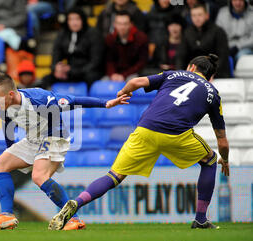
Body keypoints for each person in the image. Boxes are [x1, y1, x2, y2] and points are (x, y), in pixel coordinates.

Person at [49, 54, 229, 231]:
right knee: (210, 160)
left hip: (146, 129)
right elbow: (222, 141)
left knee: (114, 175)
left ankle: (77, 203)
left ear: (191, 67)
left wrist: (122, 92)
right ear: (210, 76)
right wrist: (226, 159)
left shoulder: (174, 74)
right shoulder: (212, 93)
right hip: (177, 135)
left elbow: (135, 83)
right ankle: (200, 219)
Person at [0, 72, 130, 230]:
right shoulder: (3, 106)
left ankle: (74, 219)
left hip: (55, 137)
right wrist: (10, 149)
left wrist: (105, 103)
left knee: (39, 176)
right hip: (33, 139)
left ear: (10, 94)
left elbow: (72, 100)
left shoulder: (39, 99)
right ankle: (6, 216)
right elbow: (8, 127)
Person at [42, 7, 104, 88]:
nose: (74, 23)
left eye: (77, 19)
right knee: (46, 79)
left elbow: (95, 62)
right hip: (69, 71)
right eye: (71, 19)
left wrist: (74, 71)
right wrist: (57, 68)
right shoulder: (63, 34)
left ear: (83, 20)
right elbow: (56, 55)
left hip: (87, 71)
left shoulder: (93, 34)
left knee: (91, 77)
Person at [176, 4, 230, 78]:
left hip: (216, 75)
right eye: (194, 15)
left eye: (200, 15)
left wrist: (211, 74)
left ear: (207, 16)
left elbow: (223, 57)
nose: (197, 18)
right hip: (192, 74)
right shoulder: (187, 32)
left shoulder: (218, 31)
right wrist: (181, 74)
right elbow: (180, 56)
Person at [105, 10, 149, 82]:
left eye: (125, 24)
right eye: (119, 24)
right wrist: (112, 74)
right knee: (104, 84)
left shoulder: (141, 38)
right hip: (115, 74)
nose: (122, 27)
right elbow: (109, 60)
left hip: (134, 73)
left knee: (131, 82)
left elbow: (141, 62)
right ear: (114, 24)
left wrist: (124, 75)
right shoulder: (110, 39)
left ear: (131, 24)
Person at [215, 0, 253, 64]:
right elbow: (217, 34)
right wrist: (225, 48)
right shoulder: (222, 13)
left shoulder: (252, 13)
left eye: (241, 0)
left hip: (246, 48)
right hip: (225, 47)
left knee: (241, 57)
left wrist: (238, 46)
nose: (238, 3)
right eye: (235, 0)